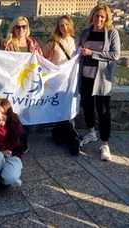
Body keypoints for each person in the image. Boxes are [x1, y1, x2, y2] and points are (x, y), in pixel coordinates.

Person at [77, 4, 121, 161]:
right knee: (87, 106)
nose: (99, 19)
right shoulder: (85, 33)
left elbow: (115, 55)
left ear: (107, 18)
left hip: (102, 79)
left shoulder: (112, 33)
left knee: (103, 111)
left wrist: (92, 53)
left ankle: (105, 144)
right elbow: (77, 50)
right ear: (92, 16)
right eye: (97, 16)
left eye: (102, 16)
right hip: (86, 76)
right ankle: (91, 132)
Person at [2, 16, 42, 152]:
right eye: (18, 26)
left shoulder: (33, 44)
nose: (21, 29)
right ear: (13, 28)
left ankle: (23, 141)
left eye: (24, 26)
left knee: (26, 114)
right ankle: (12, 141)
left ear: (27, 28)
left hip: (28, 85)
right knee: (12, 114)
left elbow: (41, 61)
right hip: (12, 85)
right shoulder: (7, 44)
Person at [44, 15, 80, 155]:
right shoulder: (53, 43)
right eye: (60, 25)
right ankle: (69, 138)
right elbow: (42, 58)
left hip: (71, 82)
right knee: (60, 110)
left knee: (68, 111)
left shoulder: (77, 42)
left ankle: (66, 137)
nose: (63, 28)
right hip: (56, 83)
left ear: (70, 25)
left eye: (66, 24)